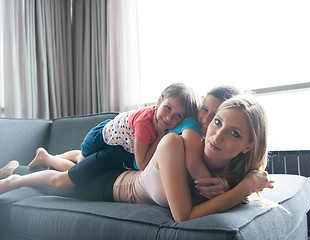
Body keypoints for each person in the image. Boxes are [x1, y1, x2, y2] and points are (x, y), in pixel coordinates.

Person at [0, 94, 274, 222]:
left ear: (249, 146)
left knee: (67, 174)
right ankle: (17, 175)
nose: (217, 135)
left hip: (119, 173)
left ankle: (29, 164)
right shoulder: (173, 144)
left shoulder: (228, 171)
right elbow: (184, 215)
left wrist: (235, 186)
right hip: (112, 186)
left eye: (234, 133)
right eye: (216, 122)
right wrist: (244, 188)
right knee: (58, 185)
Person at [19, 86, 239, 198]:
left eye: (178, 116)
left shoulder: (185, 124)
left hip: (124, 150)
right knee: (74, 170)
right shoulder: (160, 125)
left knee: (79, 163)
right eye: (204, 110)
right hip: (107, 141)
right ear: (159, 100)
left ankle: (48, 157)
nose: (206, 119)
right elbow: (144, 164)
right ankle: (18, 179)